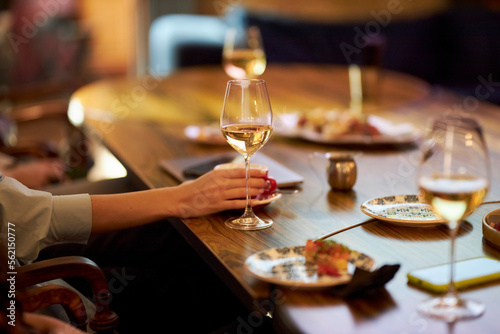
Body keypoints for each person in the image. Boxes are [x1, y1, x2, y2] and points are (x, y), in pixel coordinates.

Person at [0, 168, 272, 333]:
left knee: (176, 235)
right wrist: (181, 197)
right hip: (17, 284)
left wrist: (182, 198)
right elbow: (26, 217)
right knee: (206, 274)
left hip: (15, 251)